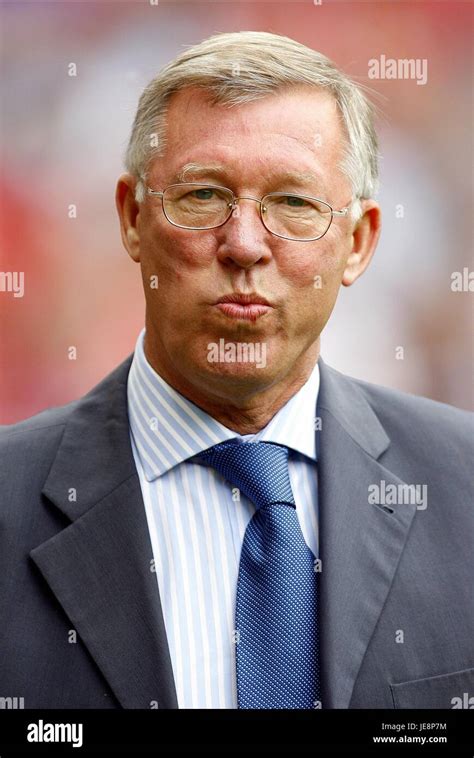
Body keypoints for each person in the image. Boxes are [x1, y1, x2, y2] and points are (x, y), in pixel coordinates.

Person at [1, 31, 472, 711]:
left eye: (294, 204)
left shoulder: (463, 490)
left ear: (360, 242)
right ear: (133, 218)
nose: (246, 244)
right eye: (202, 195)